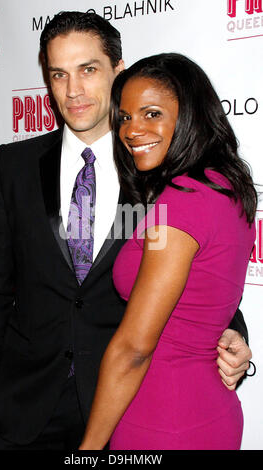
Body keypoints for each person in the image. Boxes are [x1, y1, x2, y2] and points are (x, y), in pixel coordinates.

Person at [0, 12, 252, 451]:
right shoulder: (14, 164)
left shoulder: (159, 174)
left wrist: (233, 330)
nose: (73, 90)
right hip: (22, 406)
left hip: (122, 406)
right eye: (58, 74)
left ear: (118, 71)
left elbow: (195, 276)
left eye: (88, 69)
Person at [79, 53, 257, 450]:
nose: (132, 130)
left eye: (152, 113)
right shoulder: (226, 187)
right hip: (209, 409)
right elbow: (203, 292)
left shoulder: (182, 198)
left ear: (190, 115)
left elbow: (133, 350)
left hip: (161, 417)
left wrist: (88, 451)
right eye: (124, 117)